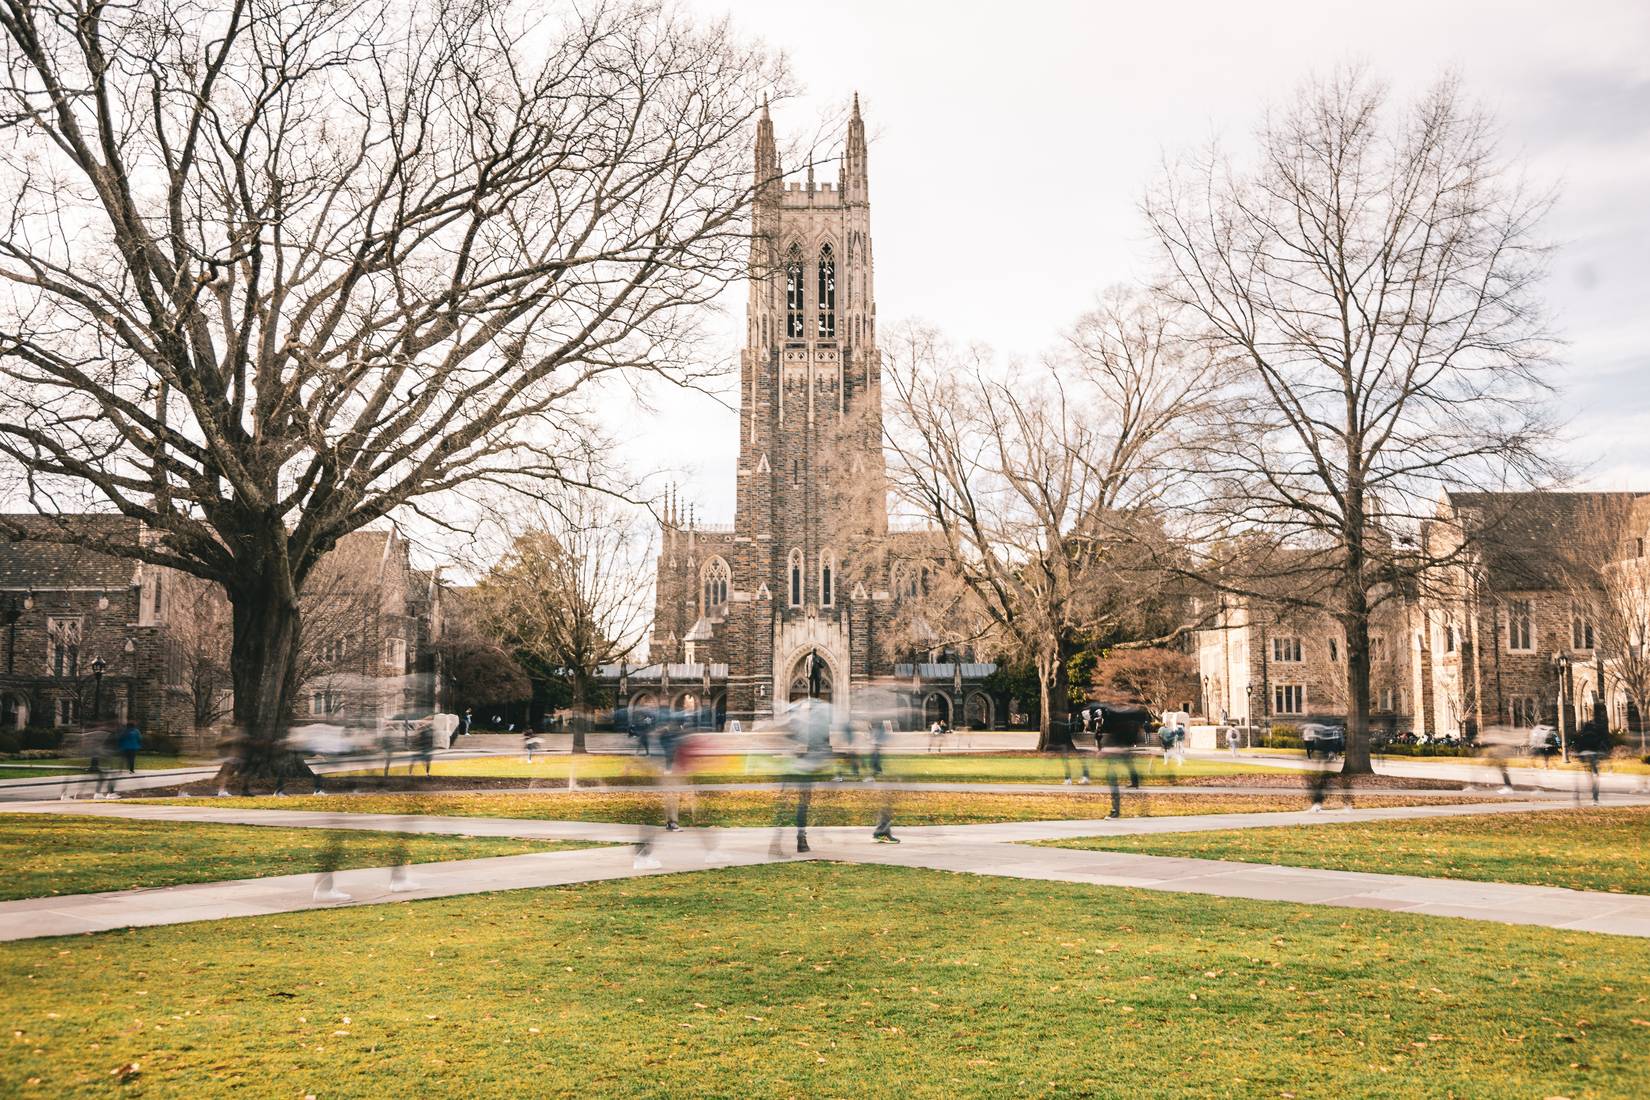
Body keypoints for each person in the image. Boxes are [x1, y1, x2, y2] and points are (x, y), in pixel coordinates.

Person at [1096, 704, 1147, 819]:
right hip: (1122, 751)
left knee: (1112, 778)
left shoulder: (1115, 718)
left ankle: (1115, 810)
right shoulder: (1129, 720)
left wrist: (1104, 750)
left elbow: (1114, 739)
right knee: (1120, 774)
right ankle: (1135, 784)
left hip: (1117, 751)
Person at [1573, 716, 1610, 805]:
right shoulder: (1597, 733)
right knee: (1596, 776)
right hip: (1593, 755)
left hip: (1584, 754)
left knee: (1588, 775)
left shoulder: (1583, 734)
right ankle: (1595, 798)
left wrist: (1578, 755)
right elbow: (1602, 744)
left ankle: (1578, 795)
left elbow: (1578, 745)